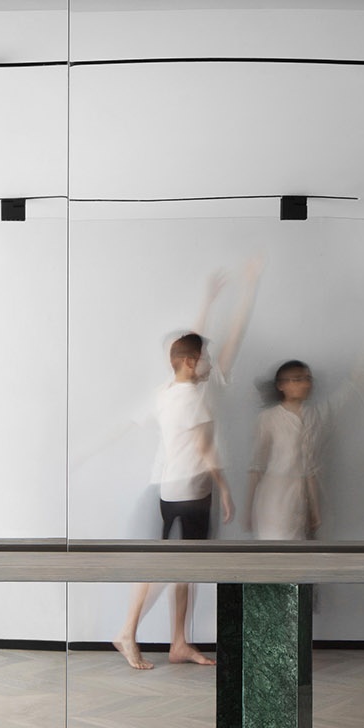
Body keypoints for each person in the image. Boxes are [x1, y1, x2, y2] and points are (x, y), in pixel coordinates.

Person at [113, 260, 261, 670]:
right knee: (167, 565)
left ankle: (179, 641)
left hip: (191, 484)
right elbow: (193, 347)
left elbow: (216, 342)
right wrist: (213, 301)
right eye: (202, 355)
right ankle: (128, 631)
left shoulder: (199, 381)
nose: (209, 357)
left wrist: (238, 293)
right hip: (173, 484)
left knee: (185, 568)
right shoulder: (179, 388)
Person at [243, 359, 330, 540]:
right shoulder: (269, 418)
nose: (305, 384)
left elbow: (310, 468)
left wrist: (315, 509)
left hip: (300, 498)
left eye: (307, 379)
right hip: (274, 497)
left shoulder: (313, 416)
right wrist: (248, 509)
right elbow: (257, 466)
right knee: (277, 547)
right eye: (297, 379)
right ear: (281, 385)